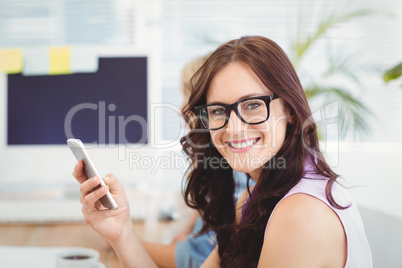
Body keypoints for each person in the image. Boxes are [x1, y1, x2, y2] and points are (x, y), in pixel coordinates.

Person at [73, 35, 372, 267]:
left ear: (290, 110)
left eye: (253, 105)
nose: (234, 128)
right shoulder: (254, 198)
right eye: (219, 110)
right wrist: (120, 232)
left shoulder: (301, 213)